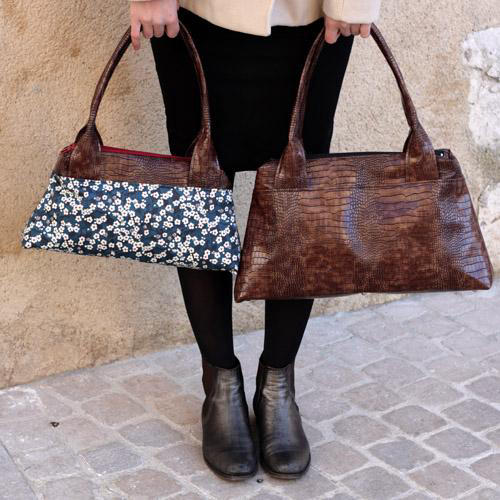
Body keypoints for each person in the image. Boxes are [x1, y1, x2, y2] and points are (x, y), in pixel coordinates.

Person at [128, 0, 381, 481]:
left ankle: (277, 383)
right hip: (196, 14)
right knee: (198, 196)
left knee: (300, 202)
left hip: (308, 16)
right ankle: (220, 382)